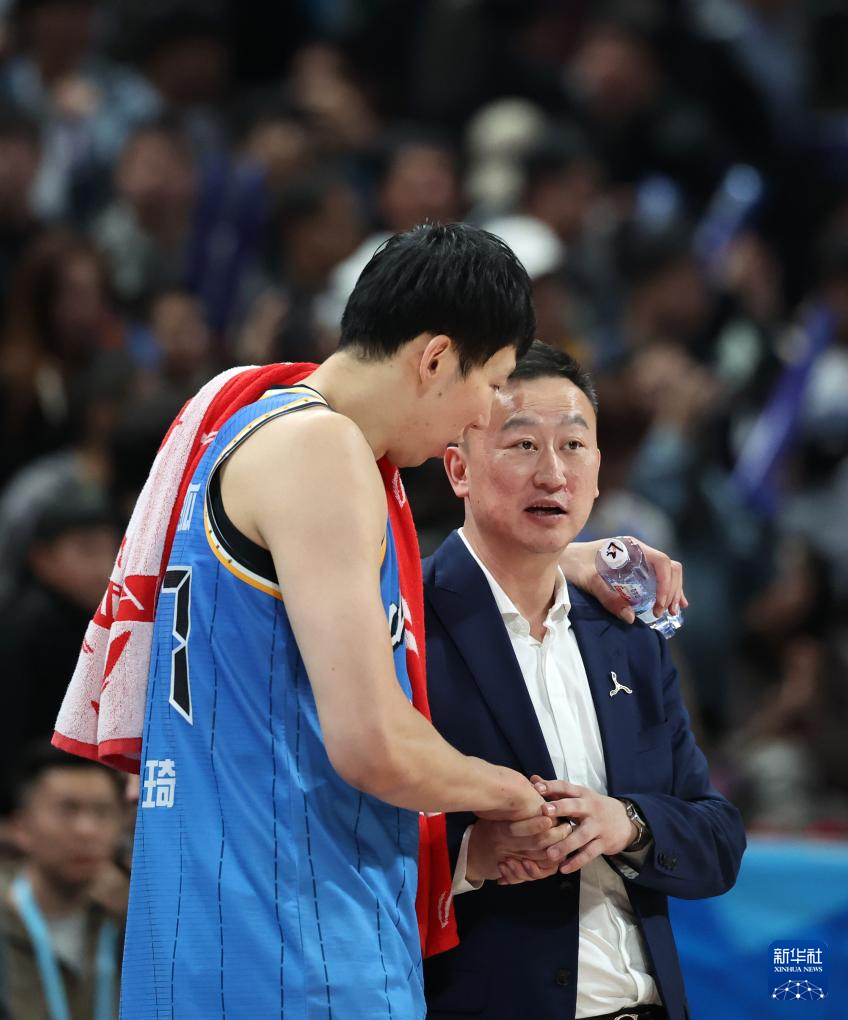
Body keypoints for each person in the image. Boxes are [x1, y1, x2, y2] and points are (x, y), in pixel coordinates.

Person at [111, 223, 550, 1019]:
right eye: (493, 383)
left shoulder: (249, 429)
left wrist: (562, 562)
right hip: (295, 947)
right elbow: (373, 744)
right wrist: (517, 795)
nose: (484, 416)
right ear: (435, 358)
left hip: (204, 933)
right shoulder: (323, 448)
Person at [422, 341, 746, 1020]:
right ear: (458, 468)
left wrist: (628, 823)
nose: (552, 473)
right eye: (522, 445)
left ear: (598, 471)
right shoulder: (405, 622)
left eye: (574, 445)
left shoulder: (628, 633)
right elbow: (340, 845)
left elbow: (719, 840)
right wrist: (472, 856)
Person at [1, 744, 126, 1020]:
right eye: (67, 810)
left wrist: (137, 919)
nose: (87, 830)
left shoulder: (130, 922)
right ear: (21, 827)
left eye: (102, 812)